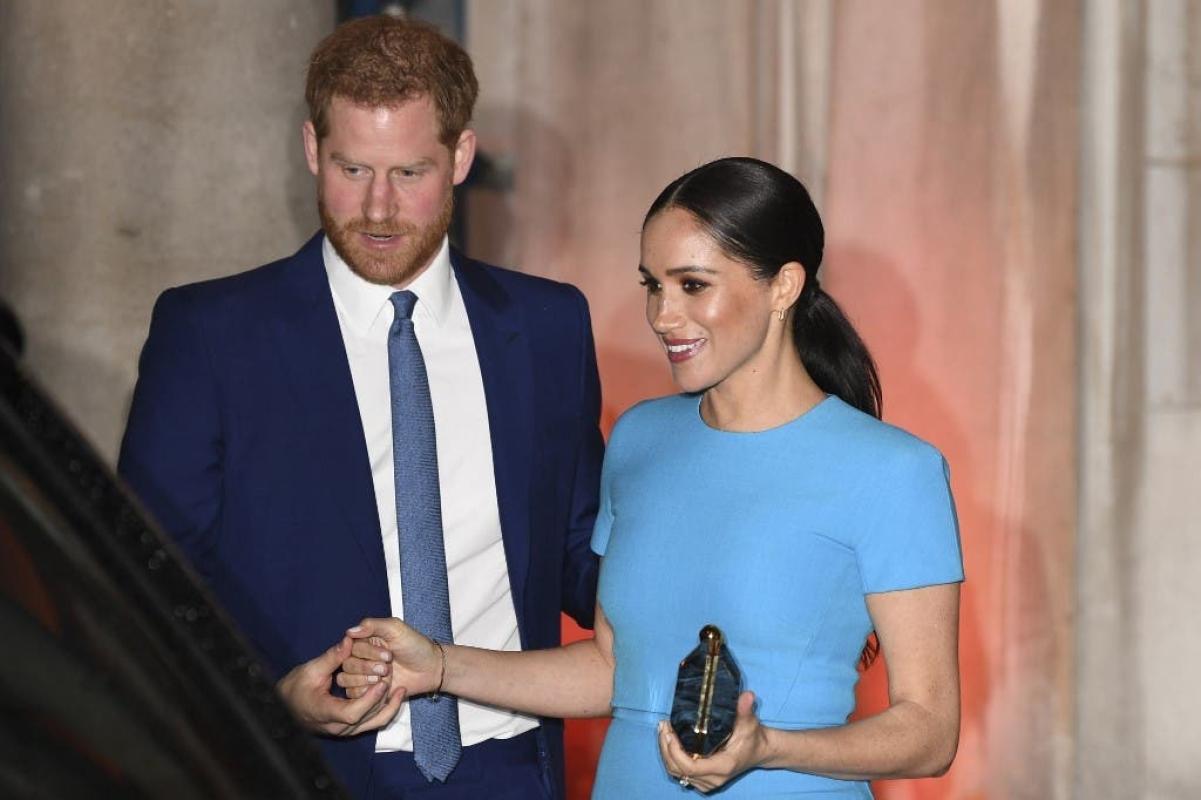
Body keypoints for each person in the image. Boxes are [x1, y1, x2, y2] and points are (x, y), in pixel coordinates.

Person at [339, 157, 964, 797]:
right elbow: (614, 670)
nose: (663, 315)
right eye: (653, 285)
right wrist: (439, 666)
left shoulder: (894, 471)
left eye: (692, 285)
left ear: (784, 286)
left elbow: (930, 730)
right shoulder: (640, 439)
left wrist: (770, 748)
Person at [118, 15, 602, 800]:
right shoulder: (210, 335)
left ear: (460, 158)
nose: (377, 208)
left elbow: (579, 548)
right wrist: (273, 698)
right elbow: (149, 580)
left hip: (508, 766)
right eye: (352, 169)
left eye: (409, 172)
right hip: (299, 768)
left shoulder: (547, 326)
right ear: (312, 148)